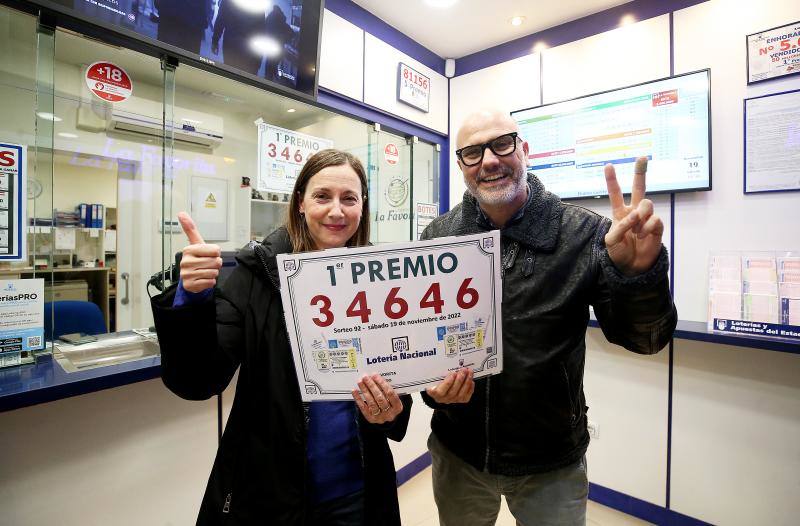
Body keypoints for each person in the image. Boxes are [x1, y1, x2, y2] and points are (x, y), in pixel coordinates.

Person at [420, 109, 677, 526]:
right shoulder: (438, 238)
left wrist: (638, 276)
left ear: (524, 150)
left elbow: (644, 339)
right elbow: (425, 347)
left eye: (501, 144)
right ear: (462, 166)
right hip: (458, 452)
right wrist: (433, 391)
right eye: (471, 152)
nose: (488, 160)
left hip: (551, 463)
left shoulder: (584, 233)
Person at [151, 149, 412, 525]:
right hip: (270, 496)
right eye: (322, 196)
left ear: (362, 207)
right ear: (301, 203)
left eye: (349, 198)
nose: (336, 211)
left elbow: (396, 387)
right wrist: (192, 298)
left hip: (358, 492)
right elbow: (197, 380)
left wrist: (389, 412)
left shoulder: (381, 281)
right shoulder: (254, 275)